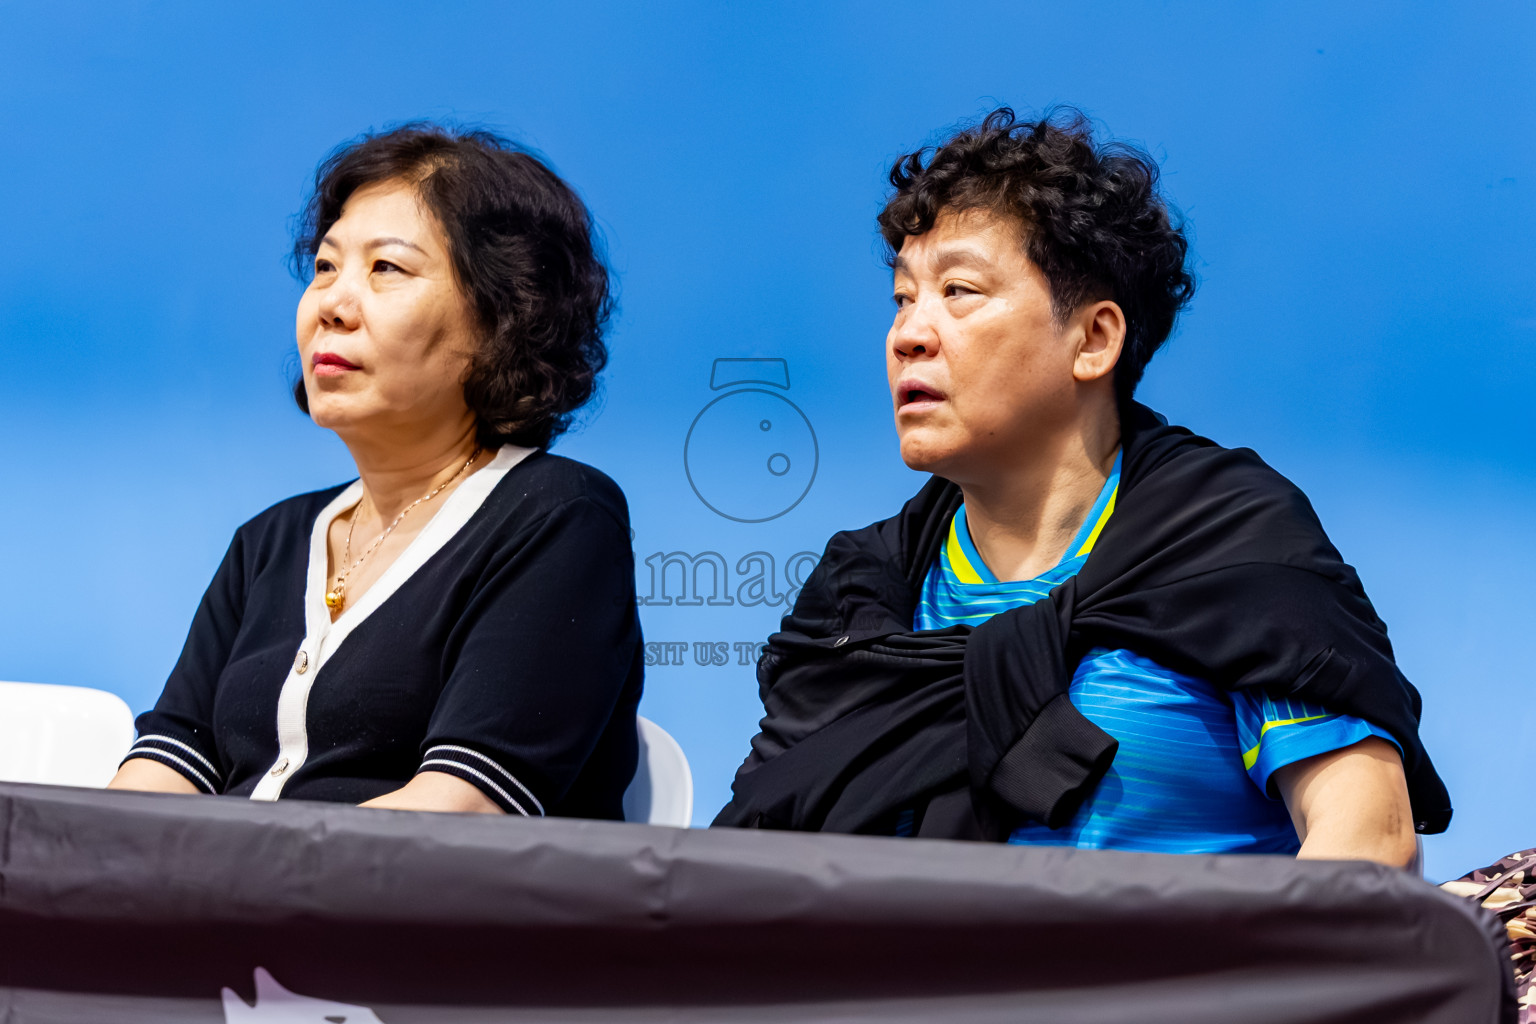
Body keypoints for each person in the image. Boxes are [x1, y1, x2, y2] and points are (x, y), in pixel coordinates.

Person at [715, 108, 1450, 864]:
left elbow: (1369, 839)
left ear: (1095, 339)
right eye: (904, 298)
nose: (909, 334)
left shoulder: (1227, 546)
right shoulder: (861, 594)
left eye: (958, 290)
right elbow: (760, 860)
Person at [109, 124, 643, 818]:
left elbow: (459, 811)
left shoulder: (558, 518)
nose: (331, 304)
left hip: (410, 917)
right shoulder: (270, 541)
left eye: (385, 269)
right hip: (228, 909)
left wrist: (229, 896)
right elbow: (167, 765)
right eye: (325, 268)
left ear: (500, 320)